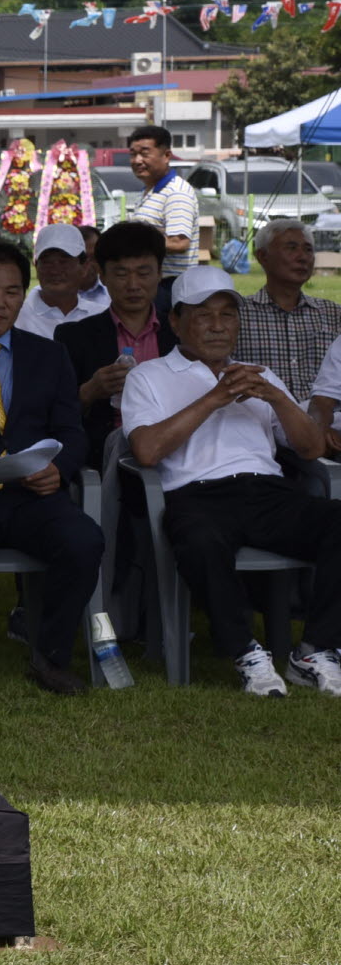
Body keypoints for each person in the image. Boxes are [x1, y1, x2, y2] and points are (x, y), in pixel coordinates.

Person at [122, 266, 341, 698]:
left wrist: (277, 397)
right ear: (176, 322)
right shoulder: (147, 376)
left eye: (227, 315)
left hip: (267, 492)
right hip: (197, 495)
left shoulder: (258, 374)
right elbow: (146, 450)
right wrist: (215, 397)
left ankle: (315, 650)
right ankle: (246, 652)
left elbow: (312, 448)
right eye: (204, 316)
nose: (219, 326)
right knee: (200, 542)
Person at [0, 241, 101, 697]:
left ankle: (52, 655)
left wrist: (58, 468)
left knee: (84, 540)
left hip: (33, 496)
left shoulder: (48, 354)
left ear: (24, 296)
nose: (0, 303)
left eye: (13, 292)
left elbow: (71, 430)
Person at [57, 220, 176, 472]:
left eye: (143, 273)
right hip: (104, 460)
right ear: (102, 275)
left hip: (176, 450)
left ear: (159, 273)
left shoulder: (179, 333)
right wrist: (90, 390)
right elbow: (55, 415)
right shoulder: (75, 336)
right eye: (121, 274)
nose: (133, 285)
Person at [235, 218, 341, 404]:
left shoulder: (333, 314)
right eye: (291, 248)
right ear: (262, 256)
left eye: (308, 249)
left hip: (328, 424)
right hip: (263, 423)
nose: (302, 257)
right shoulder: (239, 315)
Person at [125, 125, 198, 280]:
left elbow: (178, 243)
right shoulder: (149, 190)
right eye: (133, 154)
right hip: (151, 284)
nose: (137, 160)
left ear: (166, 155)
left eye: (144, 154)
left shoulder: (176, 192)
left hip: (170, 285)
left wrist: (133, 241)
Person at [15, 221, 107, 341]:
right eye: (47, 262)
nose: (55, 271)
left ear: (84, 267)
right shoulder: (16, 318)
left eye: (64, 262)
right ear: (36, 267)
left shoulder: (102, 317)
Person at [75, 224, 108, 306]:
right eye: (82, 258)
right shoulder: (44, 297)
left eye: (93, 257)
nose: (88, 265)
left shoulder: (115, 294)